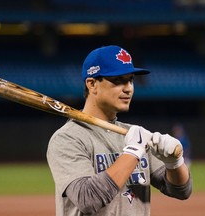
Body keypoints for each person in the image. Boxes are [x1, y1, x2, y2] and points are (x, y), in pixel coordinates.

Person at [47, 45, 192, 216]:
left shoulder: (133, 135)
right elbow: (88, 199)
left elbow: (181, 191)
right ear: (92, 84)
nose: (128, 88)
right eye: (118, 80)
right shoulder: (68, 138)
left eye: (130, 79)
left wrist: (174, 163)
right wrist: (133, 152)